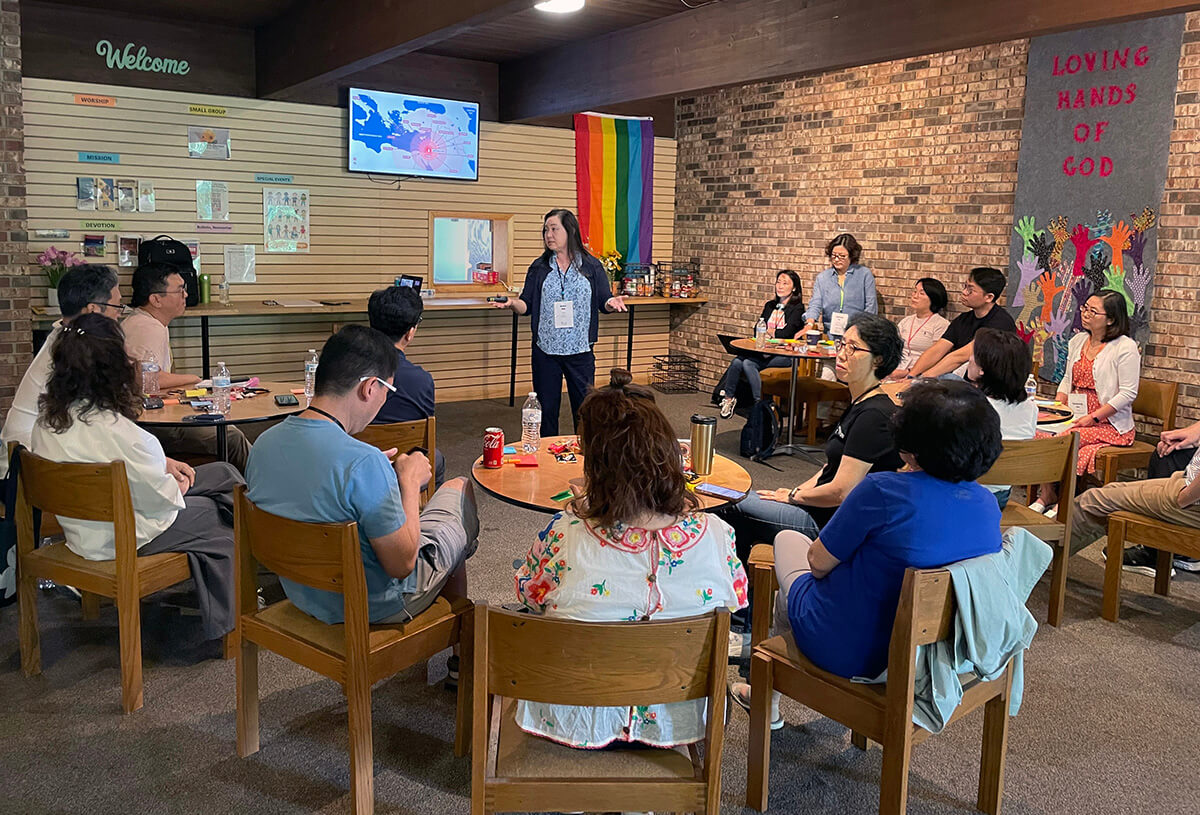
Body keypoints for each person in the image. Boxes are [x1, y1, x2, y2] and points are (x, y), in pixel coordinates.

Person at [730, 380, 1004, 727]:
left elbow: (818, 563)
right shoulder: (987, 504)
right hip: (933, 656)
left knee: (787, 545)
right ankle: (765, 691)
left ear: (910, 440)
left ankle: (765, 695)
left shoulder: (883, 490)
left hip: (852, 651)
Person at [513, 368, 747, 748]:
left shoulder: (566, 533)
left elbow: (528, 593)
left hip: (577, 710)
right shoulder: (718, 536)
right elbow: (735, 600)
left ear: (595, 468)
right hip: (679, 716)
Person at [245, 326, 480, 644]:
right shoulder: (363, 462)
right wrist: (409, 482)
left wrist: (376, 474)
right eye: (387, 391)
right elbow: (402, 564)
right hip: (376, 605)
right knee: (459, 490)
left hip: (302, 594)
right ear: (370, 387)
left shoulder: (263, 444)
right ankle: (458, 647)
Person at [30, 313, 242, 641]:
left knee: (224, 474)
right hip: (128, 536)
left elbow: (115, 463)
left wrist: (164, 463)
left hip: (81, 532)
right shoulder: (125, 434)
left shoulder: (45, 422)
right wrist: (179, 482)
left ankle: (235, 580)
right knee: (222, 512)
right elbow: (160, 500)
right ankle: (233, 615)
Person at [720, 314, 903, 656]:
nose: (842, 354)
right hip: (820, 508)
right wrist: (791, 493)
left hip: (832, 526)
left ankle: (743, 627)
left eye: (854, 348)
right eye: (842, 344)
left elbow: (842, 490)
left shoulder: (874, 416)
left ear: (878, 360)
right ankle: (745, 617)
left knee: (732, 506)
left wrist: (794, 497)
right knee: (747, 502)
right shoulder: (859, 403)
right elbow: (828, 470)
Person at [492, 209, 627, 436]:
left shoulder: (591, 266)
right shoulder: (539, 267)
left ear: (570, 231)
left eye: (554, 229)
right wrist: (512, 303)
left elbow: (603, 301)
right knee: (546, 412)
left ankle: (585, 452)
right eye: (546, 230)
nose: (549, 235)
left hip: (580, 351)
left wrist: (612, 303)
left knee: (585, 411)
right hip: (546, 352)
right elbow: (527, 305)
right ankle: (546, 455)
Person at [1, 264, 128, 478]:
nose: (119, 316)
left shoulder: (63, 340)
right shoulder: (79, 354)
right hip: (31, 473)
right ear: (93, 309)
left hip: (35, 461)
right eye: (117, 307)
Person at [122, 262, 251, 472]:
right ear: (156, 299)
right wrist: (194, 379)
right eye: (179, 290)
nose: (186, 295)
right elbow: (148, 380)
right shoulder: (148, 328)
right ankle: (263, 485)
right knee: (231, 436)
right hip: (150, 425)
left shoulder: (143, 321)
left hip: (148, 416)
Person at [1032, 290, 1140, 515]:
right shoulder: (1078, 340)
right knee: (1038, 433)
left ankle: (1064, 502)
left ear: (1110, 319)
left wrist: (1094, 417)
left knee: (1070, 439)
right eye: (1085, 308)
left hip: (1108, 423)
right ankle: (1047, 493)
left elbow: (1128, 393)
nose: (1085, 314)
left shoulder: (1125, 347)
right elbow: (1067, 379)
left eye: (1093, 311)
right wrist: (1058, 407)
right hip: (1075, 414)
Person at [1074, 419, 1200, 575]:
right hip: (1187, 481)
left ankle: (1047, 557)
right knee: (1166, 455)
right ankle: (1154, 553)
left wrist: (1185, 497)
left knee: (1093, 501)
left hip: (1191, 498)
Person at [366, 285, 444, 487]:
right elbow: (424, 441)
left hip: (352, 466)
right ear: (410, 333)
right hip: (403, 471)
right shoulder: (422, 380)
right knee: (437, 458)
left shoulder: (345, 371)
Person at [716, 270, 805, 418]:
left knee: (748, 363)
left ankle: (760, 404)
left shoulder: (798, 308)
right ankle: (729, 399)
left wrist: (769, 332)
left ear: (794, 288)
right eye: (778, 282)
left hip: (785, 355)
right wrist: (769, 332)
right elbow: (757, 329)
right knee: (737, 361)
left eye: (785, 283)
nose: (780, 286)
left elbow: (787, 333)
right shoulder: (770, 305)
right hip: (764, 351)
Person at [967, 327, 1037, 508]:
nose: (969, 359)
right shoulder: (1031, 408)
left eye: (973, 355)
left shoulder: (970, 407)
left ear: (983, 369)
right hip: (1001, 496)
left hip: (965, 496)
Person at [906, 267, 1016, 379]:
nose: (964, 292)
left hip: (988, 383)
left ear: (989, 297)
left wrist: (922, 378)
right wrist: (911, 375)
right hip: (963, 378)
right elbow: (937, 350)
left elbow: (960, 357)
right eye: (965, 286)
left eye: (970, 290)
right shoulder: (963, 319)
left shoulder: (1001, 322)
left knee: (947, 378)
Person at [803, 234, 877, 337]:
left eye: (842, 256)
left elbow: (871, 307)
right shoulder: (823, 278)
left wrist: (860, 329)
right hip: (830, 334)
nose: (837, 259)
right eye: (834, 255)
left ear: (851, 255)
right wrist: (810, 323)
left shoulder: (864, 274)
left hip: (857, 334)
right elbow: (815, 303)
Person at [891, 277, 950, 378]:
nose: (915, 296)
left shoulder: (940, 324)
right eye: (915, 291)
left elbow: (937, 358)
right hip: (897, 369)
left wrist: (908, 372)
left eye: (921, 293)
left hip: (921, 375)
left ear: (933, 298)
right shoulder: (906, 321)